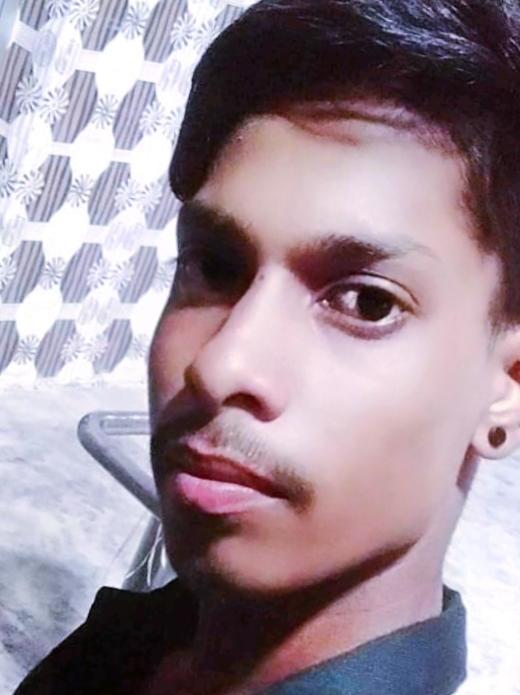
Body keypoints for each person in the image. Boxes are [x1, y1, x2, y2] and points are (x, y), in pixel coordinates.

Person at [14, 1, 520, 693]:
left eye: (366, 302)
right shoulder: (158, 638)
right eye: (215, 266)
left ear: (508, 384)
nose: (220, 364)